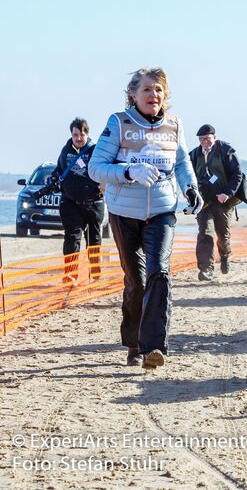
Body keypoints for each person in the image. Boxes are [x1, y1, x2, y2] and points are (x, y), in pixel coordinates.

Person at [88, 67, 200, 369]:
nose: (154, 95)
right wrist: (128, 172)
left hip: (163, 210)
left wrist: (191, 189)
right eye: (148, 89)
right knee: (136, 282)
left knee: (159, 273)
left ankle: (154, 347)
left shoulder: (174, 124)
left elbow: (182, 161)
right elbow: (96, 168)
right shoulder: (119, 123)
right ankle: (134, 344)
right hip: (124, 212)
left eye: (159, 90)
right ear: (133, 95)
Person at [188, 124, 244, 282]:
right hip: (204, 202)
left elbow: (237, 174)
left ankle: (225, 256)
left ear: (214, 137)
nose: (204, 141)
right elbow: (187, 175)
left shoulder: (226, 151)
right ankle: (206, 269)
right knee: (205, 233)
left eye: (207, 138)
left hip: (223, 201)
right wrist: (191, 194)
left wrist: (227, 193)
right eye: (201, 139)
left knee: (223, 236)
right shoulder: (194, 154)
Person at [52, 117, 104, 283]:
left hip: (94, 203)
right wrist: (54, 177)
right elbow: (59, 170)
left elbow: (106, 168)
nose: (79, 138)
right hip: (70, 203)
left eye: (82, 134)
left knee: (94, 239)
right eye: (75, 135)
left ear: (87, 134)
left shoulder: (96, 150)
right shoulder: (65, 151)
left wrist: (105, 184)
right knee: (72, 238)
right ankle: (70, 274)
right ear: (71, 135)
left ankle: (95, 274)